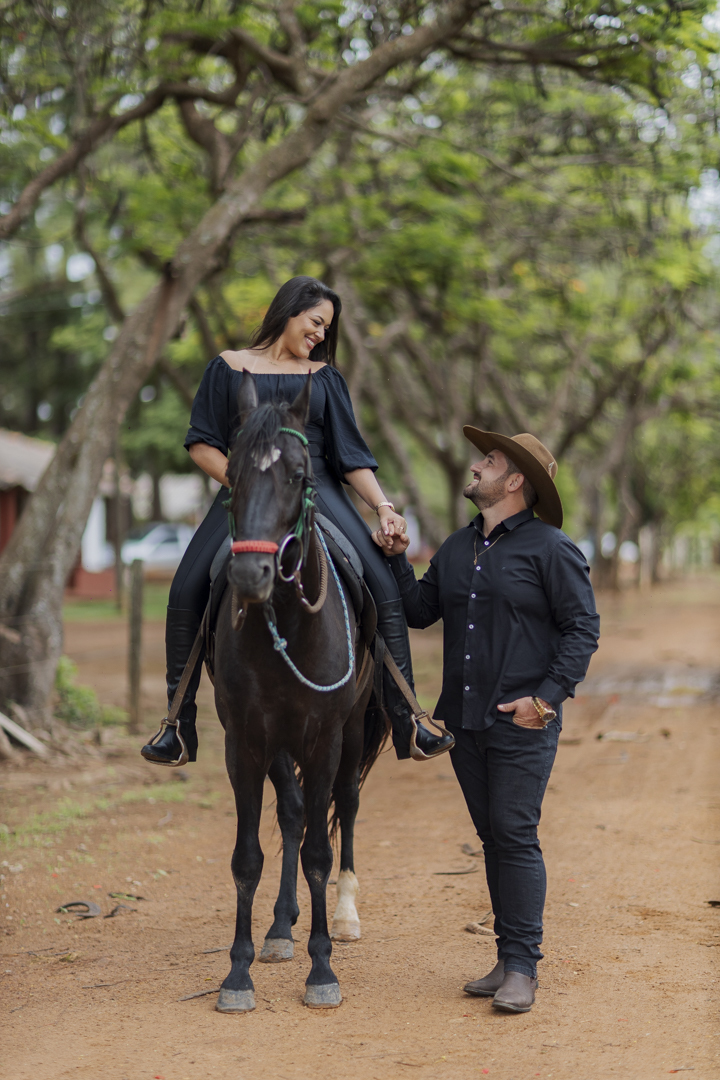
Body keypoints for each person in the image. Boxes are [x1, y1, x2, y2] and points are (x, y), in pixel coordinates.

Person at [140, 276, 454, 768]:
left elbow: (351, 457)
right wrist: (249, 484)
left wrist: (384, 507)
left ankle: (408, 716)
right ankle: (177, 725)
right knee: (184, 589)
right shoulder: (226, 367)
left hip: (319, 491)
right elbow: (202, 444)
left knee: (380, 584)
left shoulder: (325, 378)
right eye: (316, 322)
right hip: (243, 493)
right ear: (289, 310)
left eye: (327, 328)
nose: (321, 335)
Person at [373, 428, 600, 1013]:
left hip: (524, 722)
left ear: (516, 480)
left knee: (515, 834)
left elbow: (582, 630)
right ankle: (505, 958)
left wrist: (545, 701)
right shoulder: (457, 547)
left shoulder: (552, 548)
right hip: (464, 722)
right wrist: (397, 558)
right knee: (492, 837)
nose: (476, 466)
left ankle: (523, 966)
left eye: (490, 461)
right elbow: (420, 611)